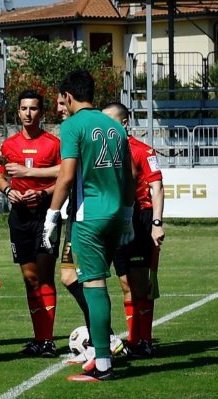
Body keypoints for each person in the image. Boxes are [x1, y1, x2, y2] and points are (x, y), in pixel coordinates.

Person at [43, 70, 135, 382]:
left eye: (62, 100)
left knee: (94, 285)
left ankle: (103, 363)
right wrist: (127, 215)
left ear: (68, 96)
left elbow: (66, 176)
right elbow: (128, 176)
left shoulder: (71, 126)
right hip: (113, 216)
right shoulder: (115, 126)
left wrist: (51, 216)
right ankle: (99, 352)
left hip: (88, 218)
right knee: (85, 279)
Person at [0, 89, 62, 357]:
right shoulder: (8, 145)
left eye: (33, 108)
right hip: (19, 217)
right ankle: (39, 338)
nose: (28, 113)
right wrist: (7, 190)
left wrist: (43, 193)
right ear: (18, 112)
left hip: (46, 215)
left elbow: (64, 177)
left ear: (42, 112)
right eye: (24, 109)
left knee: (45, 275)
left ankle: (47, 340)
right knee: (29, 277)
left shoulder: (53, 144)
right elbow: (0, 177)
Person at [103, 102, 165, 358]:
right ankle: (133, 339)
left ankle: (145, 340)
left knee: (140, 284)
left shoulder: (142, 150)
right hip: (116, 218)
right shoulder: (104, 151)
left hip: (140, 217)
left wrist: (157, 223)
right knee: (125, 283)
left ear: (124, 123)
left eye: (110, 121)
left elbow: (157, 187)